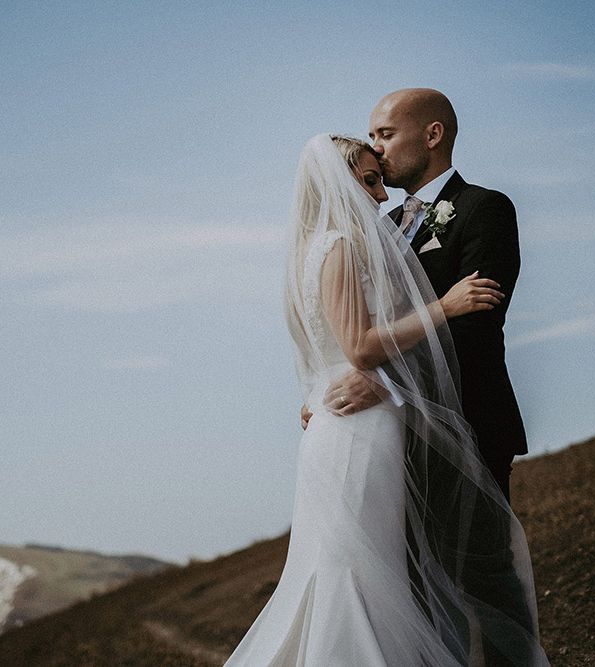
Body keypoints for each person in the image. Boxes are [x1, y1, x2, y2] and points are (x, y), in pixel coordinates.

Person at [223, 134, 547, 665]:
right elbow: (357, 345)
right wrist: (443, 308)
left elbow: (338, 343)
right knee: (365, 574)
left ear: (433, 132)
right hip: (362, 426)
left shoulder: (472, 211)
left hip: (384, 419)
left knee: (383, 571)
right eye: (369, 181)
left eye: (385, 139)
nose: (380, 196)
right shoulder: (348, 244)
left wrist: (332, 386)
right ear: (340, 183)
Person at [306, 88, 526, 502]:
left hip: (466, 422)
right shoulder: (377, 226)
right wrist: (328, 392)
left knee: (473, 565)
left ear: (433, 135)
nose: (375, 147)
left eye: (385, 134)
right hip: (387, 431)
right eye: (372, 136)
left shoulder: (484, 208)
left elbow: (475, 325)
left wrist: (388, 383)